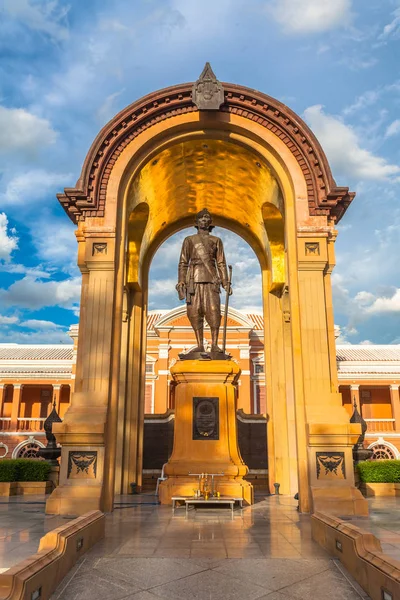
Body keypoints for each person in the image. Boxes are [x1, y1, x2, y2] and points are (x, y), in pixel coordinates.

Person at [176, 208, 231, 354]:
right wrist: (181, 281)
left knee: (214, 311)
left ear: (210, 222)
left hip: (212, 280)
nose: (204, 220)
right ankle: (200, 344)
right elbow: (183, 262)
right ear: (197, 222)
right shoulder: (189, 240)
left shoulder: (216, 241)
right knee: (194, 312)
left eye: (207, 218)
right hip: (193, 280)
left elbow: (221, 263)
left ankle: (214, 344)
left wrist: (226, 282)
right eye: (201, 218)